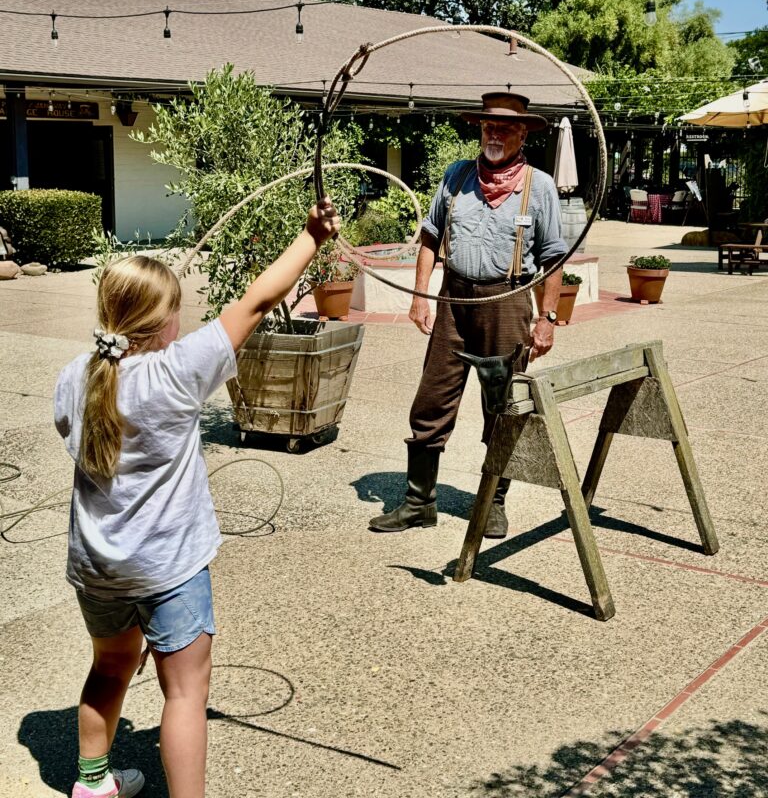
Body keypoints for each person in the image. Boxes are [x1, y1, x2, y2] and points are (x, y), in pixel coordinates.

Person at [54, 199, 339, 798]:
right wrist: (311, 238)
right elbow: (256, 303)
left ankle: (90, 785)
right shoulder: (179, 370)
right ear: (163, 323)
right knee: (184, 693)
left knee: (109, 668)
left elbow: (71, 433)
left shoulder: (75, 375)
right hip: (169, 568)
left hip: (98, 567)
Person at [369, 92, 567, 538]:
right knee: (431, 399)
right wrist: (421, 295)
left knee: (501, 405)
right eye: (487, 127)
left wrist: (546, 318)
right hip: (453, 302)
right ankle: (419, 502)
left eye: (504, 128)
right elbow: (430, 236)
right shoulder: (457, 176)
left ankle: (492, 503)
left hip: (508, 302)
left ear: (522, 134)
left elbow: (554, 259)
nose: (494, 134)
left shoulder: (540, 187)